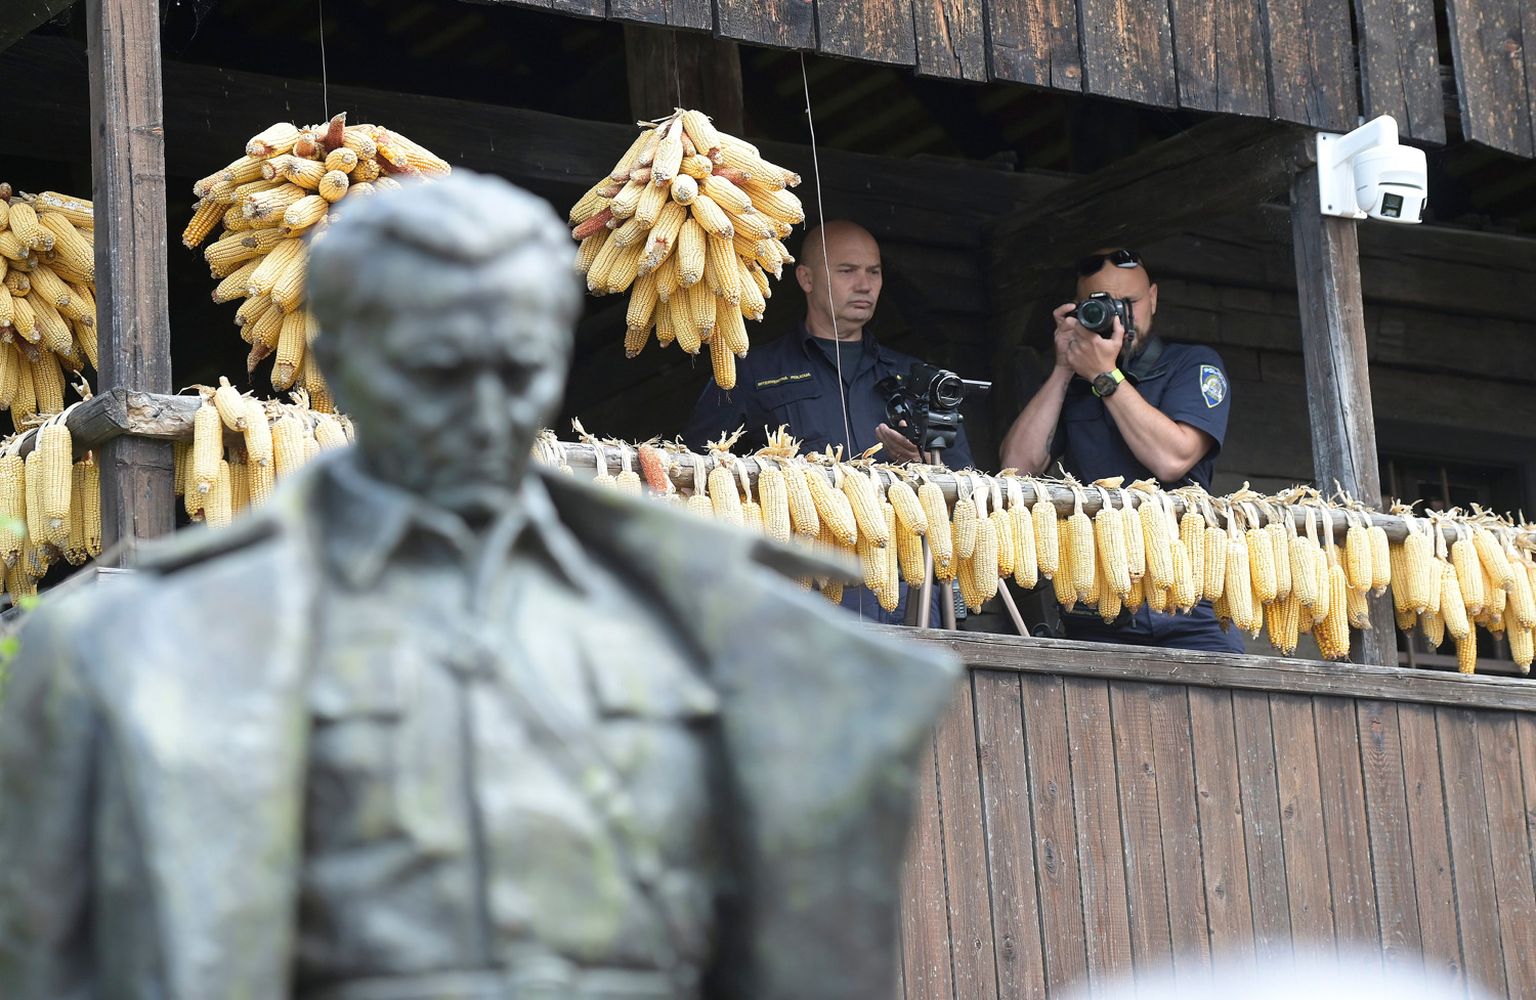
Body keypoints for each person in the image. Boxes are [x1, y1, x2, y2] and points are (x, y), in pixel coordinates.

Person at [0, 173, 959, 1000]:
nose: (483, 403)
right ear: (345, 362)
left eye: (518, 361)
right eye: (439, 363)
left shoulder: (737, 641)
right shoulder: (133, 651)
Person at [684, 220, 975, 624]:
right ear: (806, 279)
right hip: (799, 593)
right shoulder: (750, 372)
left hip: (907, 590)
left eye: (874, 272)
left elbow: (967, 484)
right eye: (847, 271)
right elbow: (696, 474)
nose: (864, 285)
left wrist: (920, 462)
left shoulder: (915, 378)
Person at [999, 248, 1241, 652]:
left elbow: (1172, 459)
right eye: (1102, 306)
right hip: (1100, 595)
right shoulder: (1072, 381)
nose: (1118, 317)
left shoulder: (1191, 364)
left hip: (1187, 593)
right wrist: (1064, 368)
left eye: (1129, 302)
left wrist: (1105, 376)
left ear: (1154, 299)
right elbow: (1015, 469)